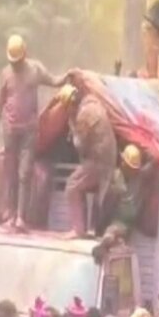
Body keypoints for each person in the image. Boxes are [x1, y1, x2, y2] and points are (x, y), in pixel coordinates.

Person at [0, 33, 68, 231]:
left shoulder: (35, 70)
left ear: (25, 54)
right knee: (10, 173)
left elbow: (54, 80)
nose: (15, 65)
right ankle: (10, 213)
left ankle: (20, 217)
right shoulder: (5, 74)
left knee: (24, 173)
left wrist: (68, 76)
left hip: (29, 131)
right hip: (9, 130)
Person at [61, 85, 118, 239]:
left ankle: (78, 229)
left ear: (71, 105)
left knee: (72, 185)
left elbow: (80, 145)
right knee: (79, 186)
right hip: (107, 159)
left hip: (99, 160)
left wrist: (72, 127)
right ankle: (84, 228)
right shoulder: (93, 103)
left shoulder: (83, 115)